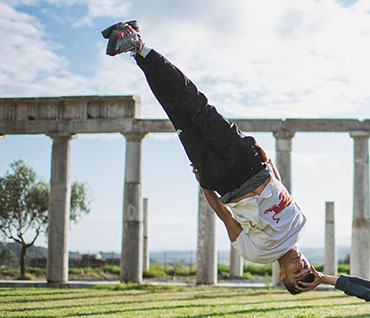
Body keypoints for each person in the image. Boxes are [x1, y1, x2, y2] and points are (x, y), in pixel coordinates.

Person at [102, 21, 314, 293]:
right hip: (249, 164)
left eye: (297, 271)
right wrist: (269, 162)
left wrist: (205, 185)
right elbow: (281, 191)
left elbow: (225, 216)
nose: (301, 263)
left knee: (177, 115)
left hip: (222, 182)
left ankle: (135, 48)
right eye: (306, 266)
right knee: (196, 104)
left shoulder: (257, 255)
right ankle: (139, 45)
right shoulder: (302, 224)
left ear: (282, 273)